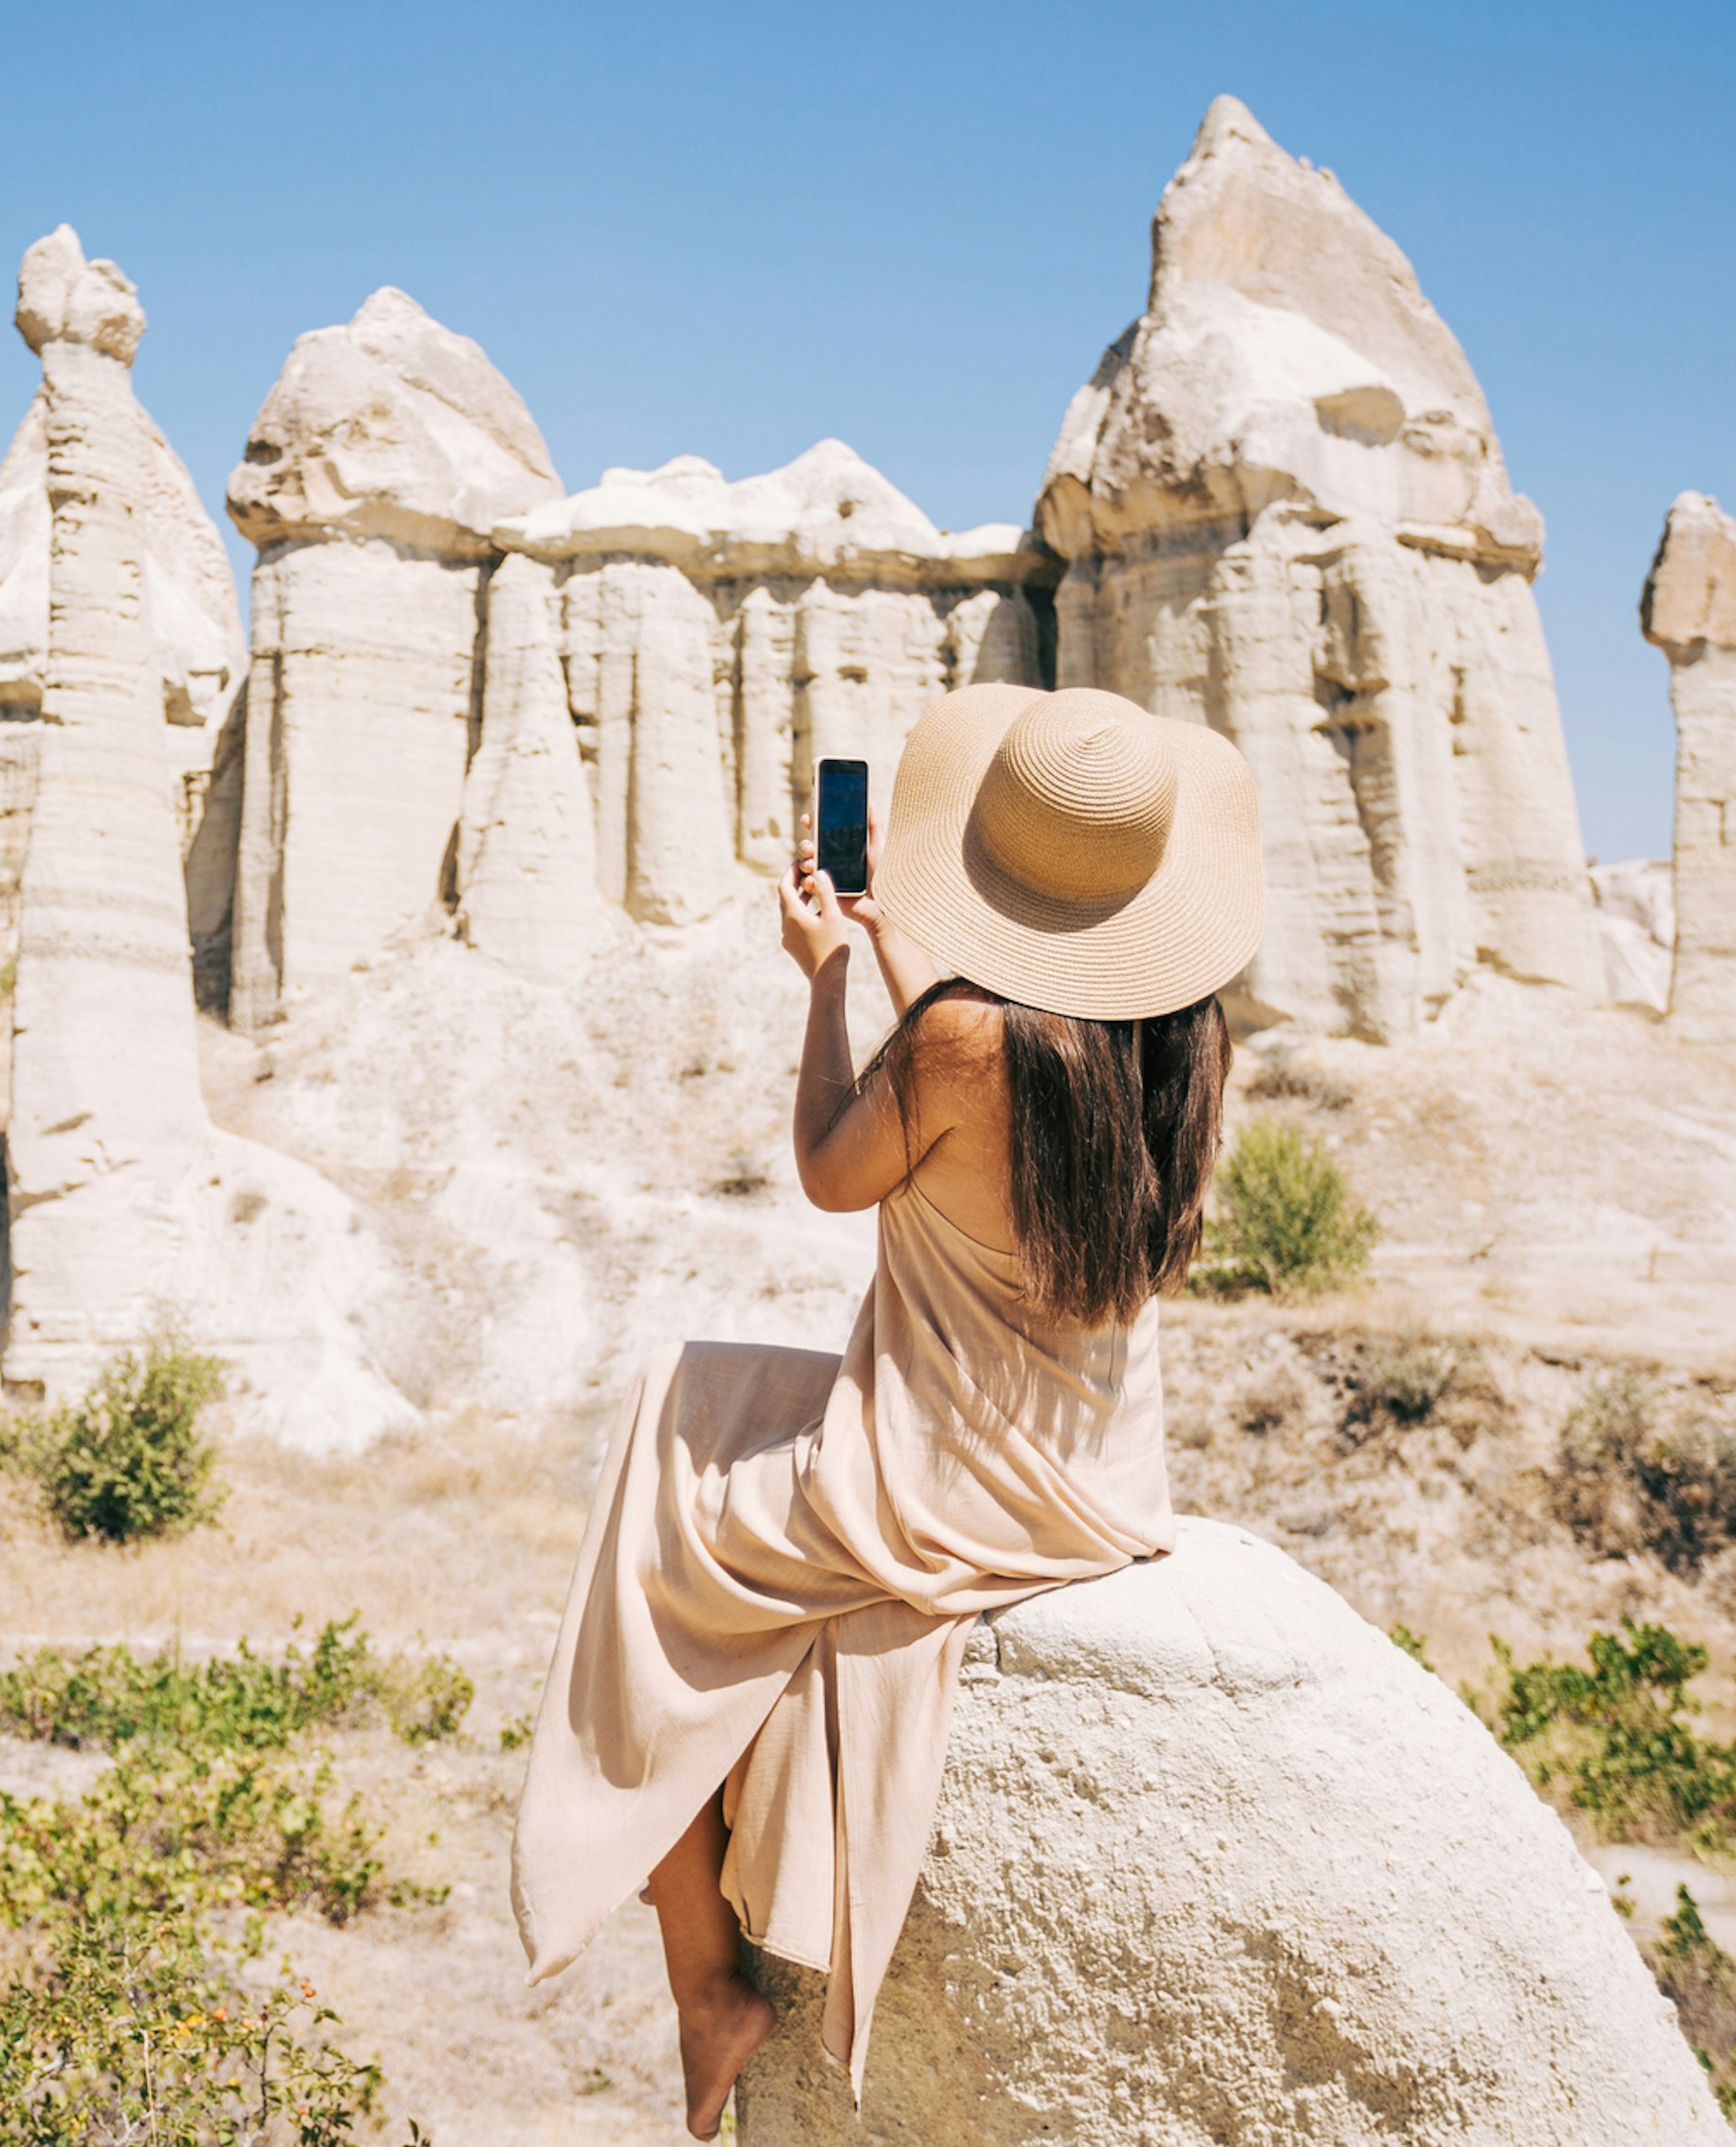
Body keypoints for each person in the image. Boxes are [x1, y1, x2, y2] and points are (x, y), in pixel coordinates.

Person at [509, 683, 1265, 2138]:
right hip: (1101, 1470)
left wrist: (818, 981)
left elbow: (830, 1165)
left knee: (667, 1458)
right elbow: (993, 1033)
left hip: (948, 1480)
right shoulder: (1181, 1031)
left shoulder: (956, 1047)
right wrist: (881, 947)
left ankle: (700, 1978)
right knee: (713, 1393)